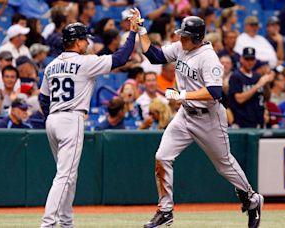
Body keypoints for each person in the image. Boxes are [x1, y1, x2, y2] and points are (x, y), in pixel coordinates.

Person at [134, 12, 264, 228]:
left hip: (208, 118)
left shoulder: (208, 57)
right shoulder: (181, 47)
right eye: (181, 35)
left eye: (185, 36)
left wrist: (181, 95)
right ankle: (165, 210)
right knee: (162, 156)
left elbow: (215, 91)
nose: (180, 39)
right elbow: (154, 56)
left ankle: (252, 199)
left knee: (224, 165)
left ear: (196, 38)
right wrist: (141, 29)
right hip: (185, 115)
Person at [38, 16, 138, 227]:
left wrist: (53, 117)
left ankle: (66, 222)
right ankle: (48, 224)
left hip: (53, 120)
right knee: (65, 176)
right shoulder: (85, 62)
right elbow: (121, 58)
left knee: (67, 176)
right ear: (76, 41)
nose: (87, 42)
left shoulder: (51, 65)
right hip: (71, 118)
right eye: (84, 39)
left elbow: (43, 99)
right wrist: (133, 32)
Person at [229, 47, 274, 128]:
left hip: (258, 121)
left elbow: (266, 98)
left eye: (252, 59)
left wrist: (266, 83)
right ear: (241, 59)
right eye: (247, 59)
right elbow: (239, 99)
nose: (250, 62)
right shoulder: (236, 76)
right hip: (242, 123)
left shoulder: (257, 76)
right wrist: (258, 85)